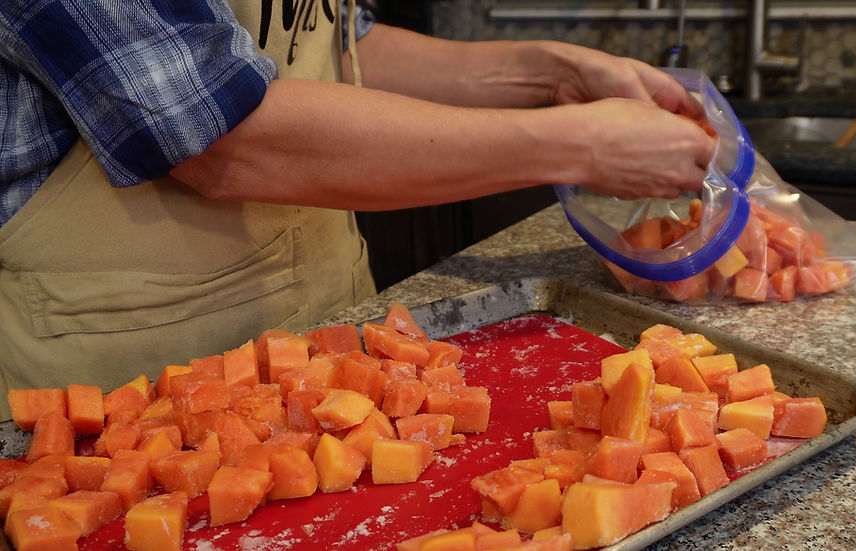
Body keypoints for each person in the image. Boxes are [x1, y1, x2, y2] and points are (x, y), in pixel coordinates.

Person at [0, 0, 715, 420]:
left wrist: (551, 70)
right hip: (129, 378)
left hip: (325, 329)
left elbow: (331, 44)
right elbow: (223, 139)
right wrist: (576, 146)